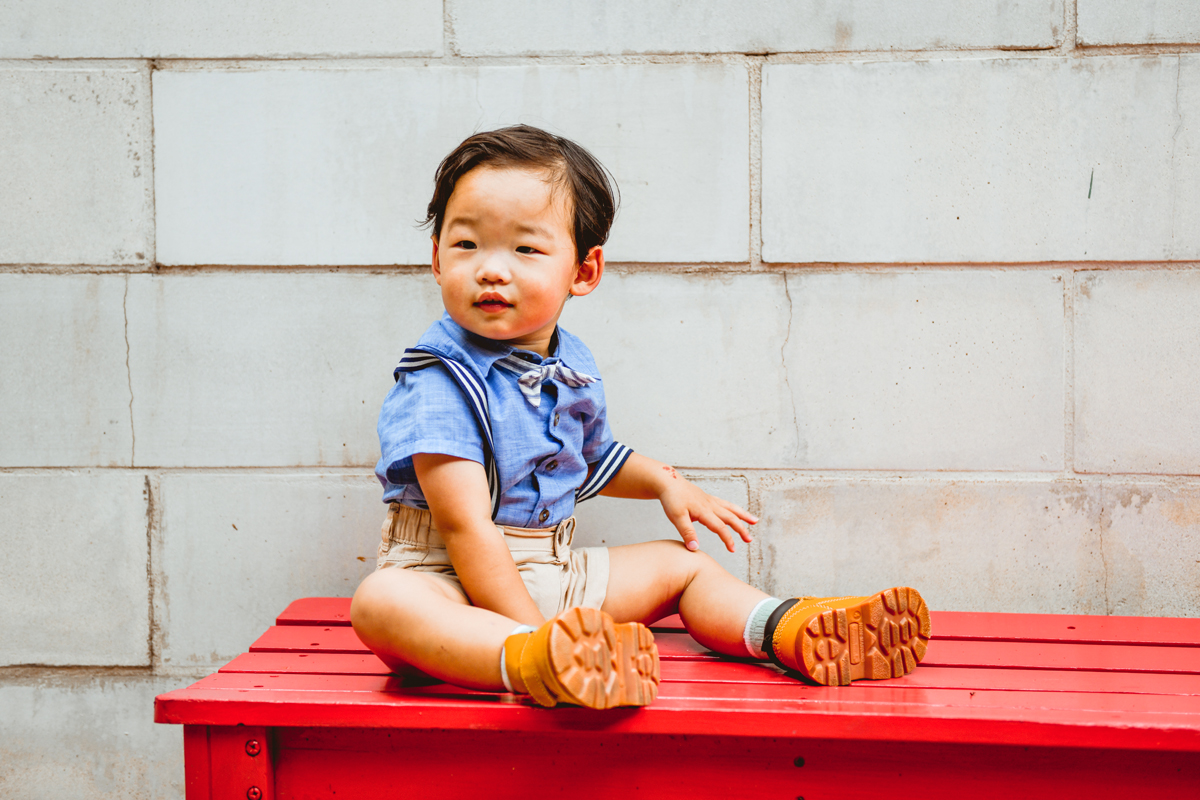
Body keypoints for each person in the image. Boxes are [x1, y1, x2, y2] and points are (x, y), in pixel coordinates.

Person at [350, 125, 930, 709]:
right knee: (383, 603)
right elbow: (465, 527)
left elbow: (591, 460)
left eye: (525, 249)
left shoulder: (568, 363)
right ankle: (537, 661)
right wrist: (539, 633)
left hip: (551, 570)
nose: (491, 269)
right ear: (436, 258)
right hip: (450, 583)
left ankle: (785, 631)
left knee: (683, 567)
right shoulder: (439, 381)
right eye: (467, 245)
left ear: (584, 271)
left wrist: (661, 482)